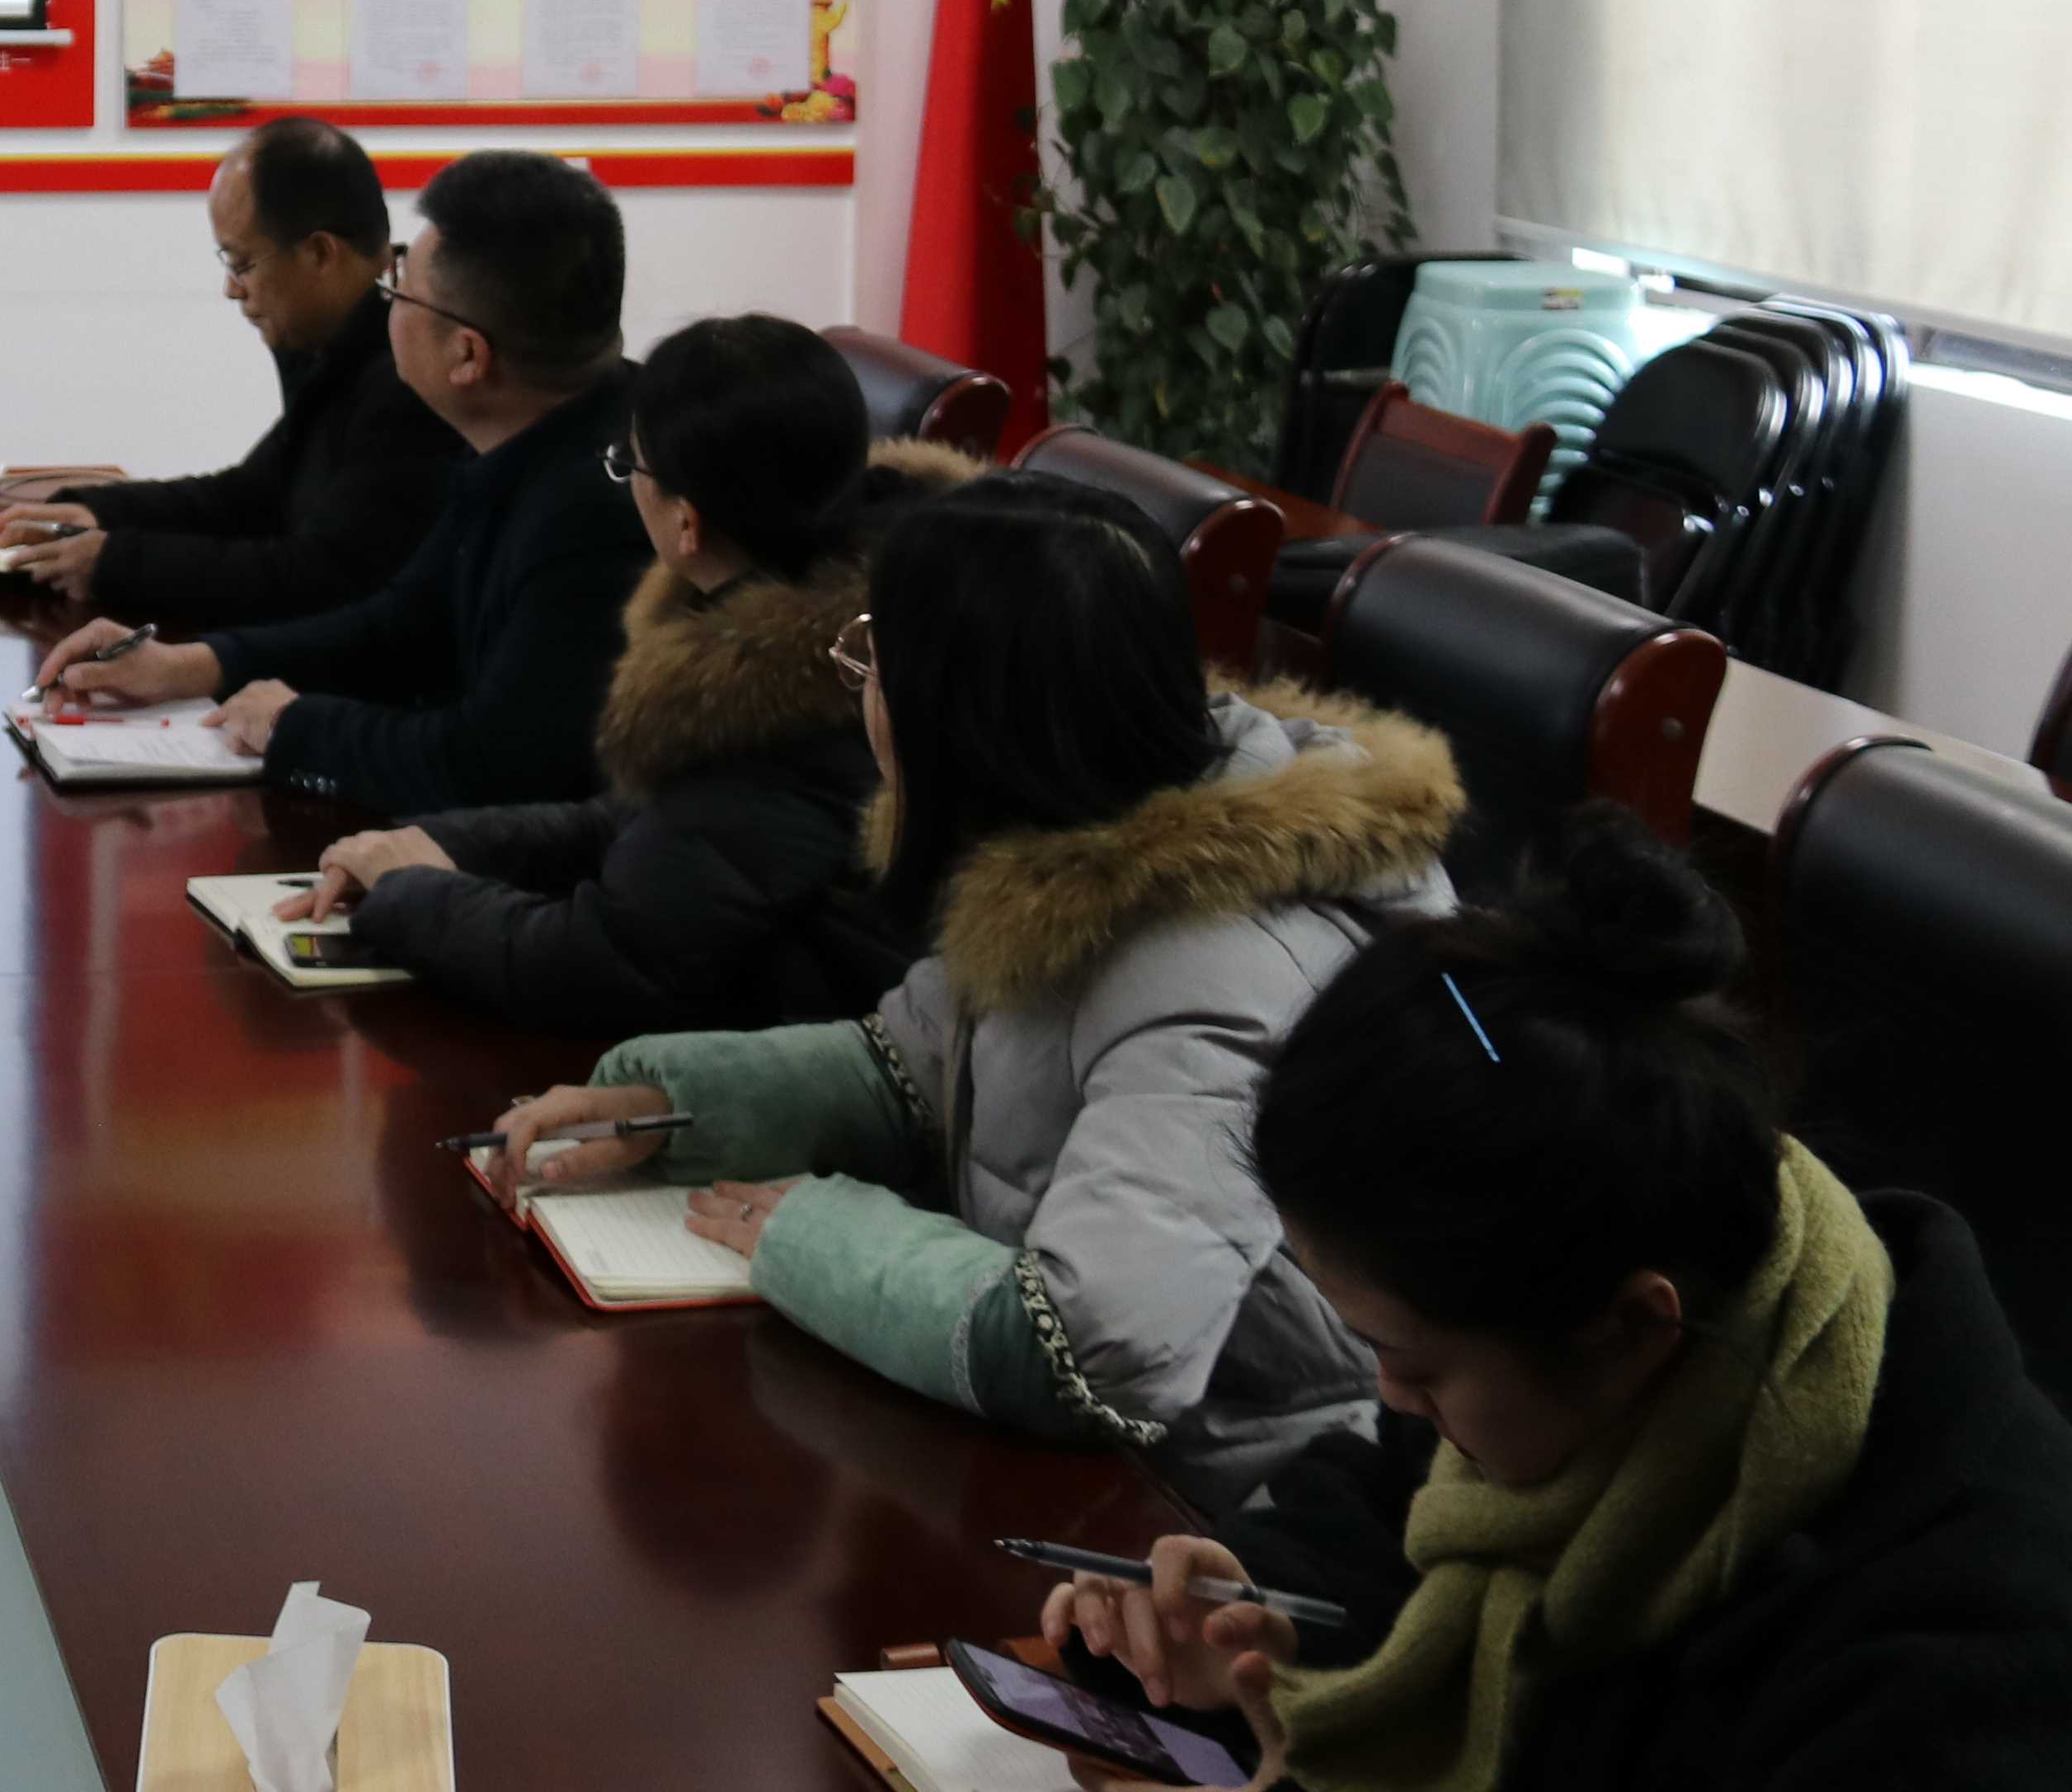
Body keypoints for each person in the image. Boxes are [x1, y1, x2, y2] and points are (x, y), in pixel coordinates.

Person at [1044, 812, 2072, 1792]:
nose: (1391, 1396)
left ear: (1630, 1329)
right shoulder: (1612, 1285)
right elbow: (1394, 1507)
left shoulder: (1951, 1659)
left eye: (1411, 1361)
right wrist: (1243, 1612)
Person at [490, 473, 1464, 1493]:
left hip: (1218, 1507)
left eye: (877, 655)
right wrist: (670, 1104)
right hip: (1062, 1465)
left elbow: (1089, 1351)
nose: (864, 687)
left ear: (960, 714)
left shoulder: (1218, 966)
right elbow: (911, 1066)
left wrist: (811, 1233)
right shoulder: (1076, 840)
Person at [281, 314, 953, 1037]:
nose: (625, 483)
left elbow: (598, 965)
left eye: (631, 464)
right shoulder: (856, 604)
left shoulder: (782, 704)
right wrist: (436, 845)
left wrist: (409, 892)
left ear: (687, 524)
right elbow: (645, 823)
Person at [31, 147, 651, 816]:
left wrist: (295, 728)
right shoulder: (524, 441)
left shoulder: (601, 510)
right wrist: (194, 665)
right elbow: (401, 623)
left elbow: (489, 764)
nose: (385, 301)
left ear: (467, 355)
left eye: (401, 288)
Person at [0, 119, 460, 623]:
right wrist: (96, 513)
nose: (231, 289)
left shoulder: (409, 375)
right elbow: (253, 495)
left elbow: (326, 577)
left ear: (320, 253)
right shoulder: (341, 346)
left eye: (243, 263)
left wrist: (114, 562)